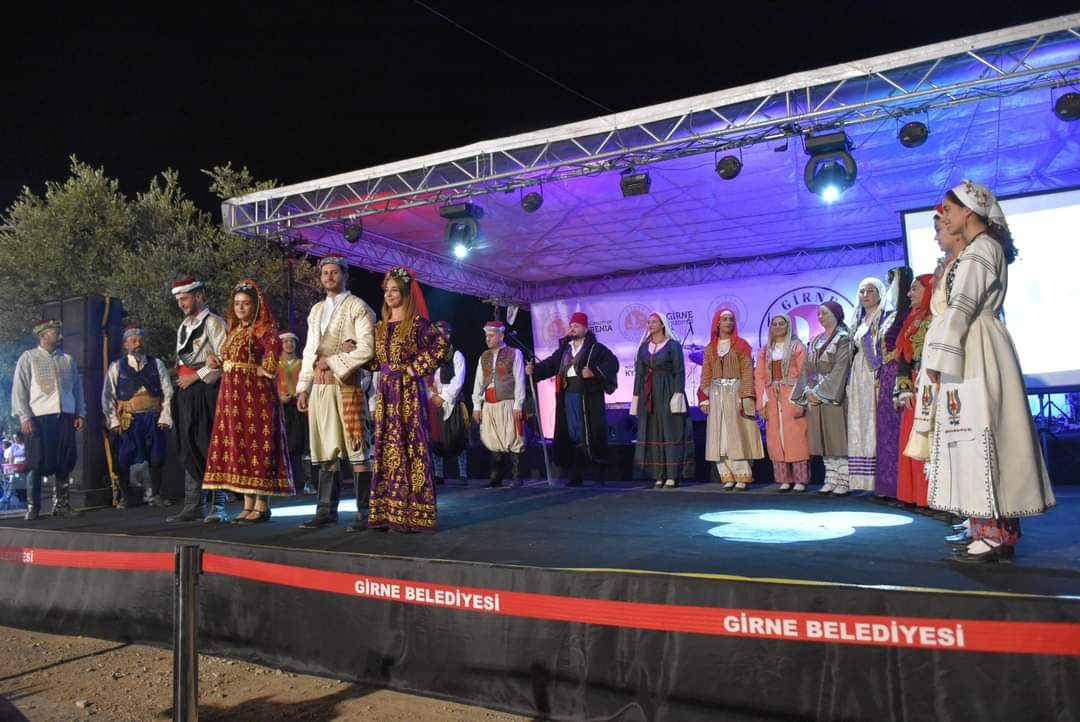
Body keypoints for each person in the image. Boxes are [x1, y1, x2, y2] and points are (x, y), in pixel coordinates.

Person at [923, 180, 1055, 563]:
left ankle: (995, 534)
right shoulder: (978, 248)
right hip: (972, 343)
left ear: (968, 211)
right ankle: (984, 527)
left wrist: (939, 358)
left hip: (977, 345)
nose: (945, 217)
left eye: (949, 210)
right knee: (974, 434)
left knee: (984, 434)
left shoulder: (982, 249)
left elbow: (963, 305)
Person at [202, 280, 295, 520]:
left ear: (256, 305)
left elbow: (273, 351)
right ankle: (247, 504)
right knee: (240, 445)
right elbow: (231, 358)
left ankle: (262, 506)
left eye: (245, 303)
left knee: (258, 444)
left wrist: (266, 369)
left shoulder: (264, 329)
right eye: (237, 304)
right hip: (231, 397)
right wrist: (217, 361)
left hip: (255, 396)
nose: (240, 308)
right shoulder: (234, 331)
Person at [296, 257, 376, 531]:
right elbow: (310, 350)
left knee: (357, 448)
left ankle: (365, 511)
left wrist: (332, 360)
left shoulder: (358, 306)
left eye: (334, 273)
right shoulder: (317, 310)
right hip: (320, 387)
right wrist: (303, 387)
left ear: (345, 276)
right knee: (325, 449)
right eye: (325, 273)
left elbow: (366, 348)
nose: (329, 277)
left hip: (347, 385)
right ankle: (325, 510)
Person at [366, 267, 448, 532]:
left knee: (411, 446)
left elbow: (441, 346)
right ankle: (388, 511)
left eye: (395, 290)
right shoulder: (379, 328)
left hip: (408, 393)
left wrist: (414, 369)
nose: (389, 295)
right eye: (386, 290)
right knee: (387, 447)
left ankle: (414, 513)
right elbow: (375, 361)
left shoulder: (417, 325)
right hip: (385, 393)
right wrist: (354, 352)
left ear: (405, 293)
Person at [527, 311, 619, 486]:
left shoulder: (595, 349)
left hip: (588, 397)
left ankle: (599, 475)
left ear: (585, 328)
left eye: (576, 326)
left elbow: (613, 363)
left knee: (591, 433)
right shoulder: (565, 349)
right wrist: (535, 371)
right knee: (572, 433)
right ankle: (576, 475)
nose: (572, 329)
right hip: (567, 395)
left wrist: (593, 372)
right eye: (571, 326)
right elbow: (550, 364)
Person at [166, 277, 229, 523]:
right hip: (186, 392)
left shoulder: (214, 322)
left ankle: (218, 505)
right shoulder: (183, 326)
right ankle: (194, 504)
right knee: (189, 444)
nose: (181, 304)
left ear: (199, 296)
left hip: (206, 391)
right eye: (178, 300)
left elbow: (224, 359)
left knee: (210, 444)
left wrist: (196, 376)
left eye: (184, 298)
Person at [11, 319, 87, 519]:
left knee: (64, 459)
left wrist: (80, 412)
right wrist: (24, 417)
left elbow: (77, 389)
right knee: (36, 461)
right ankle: (33, 508)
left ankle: (61, 505)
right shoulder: (29, 357)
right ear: (43, 335)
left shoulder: (67, 359)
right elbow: (19, 390)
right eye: (55, 332)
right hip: (39, 417)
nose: (59, 336)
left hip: (65, 416)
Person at [101, 325, 174, 507]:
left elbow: (168, 392)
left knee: (156, 456)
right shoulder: (117, 367)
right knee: (123, 457)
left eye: (140, 340)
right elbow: (107, 396)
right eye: (133, 341)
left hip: (152, 418)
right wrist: (113, 421)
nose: (137, 344)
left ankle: (155, 495)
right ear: (126, 345)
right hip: (128, 419)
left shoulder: (157, 364)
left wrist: (165, 416)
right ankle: (125, 497)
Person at [698, 309, 763, 489]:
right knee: (720, 436)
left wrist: (746, 395)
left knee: (737, 434)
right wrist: (704, 398)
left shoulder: (742, 345)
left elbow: (747, 372)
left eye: (731, 319)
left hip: (735, 392)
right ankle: (727, 475)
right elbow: (706, 374)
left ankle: (742, 475)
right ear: (717, 323)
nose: (728, 322)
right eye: (725, 319)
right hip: (716, 394)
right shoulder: (710, 348)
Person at [792, 302, 852, 493]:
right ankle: (831, 477)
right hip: (815, 393)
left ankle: (844, 479)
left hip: (834, 393)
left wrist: (819, 392)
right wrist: (808, 391)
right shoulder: (816, 339)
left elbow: (841, 368)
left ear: (836, 314)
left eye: (824, 313)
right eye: (819, 314)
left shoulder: (844, 338)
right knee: (823, 437)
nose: (820, 317)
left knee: (837, 436)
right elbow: (807, 368)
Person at [630, 312, 694, 488]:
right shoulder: (644, 348)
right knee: (652, 431)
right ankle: (658, 473)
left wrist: (677, 394)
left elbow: (679, 371)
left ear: (662, 325)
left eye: (654, 322)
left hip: (668, 390)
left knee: (670, 430)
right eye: (648, 322)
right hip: (649, 393)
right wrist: (636, 397)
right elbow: (639, 374)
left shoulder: (673, 346)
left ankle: (672, 475)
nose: (650, 325)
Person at [754, 313, 810, 492]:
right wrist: (762, 402)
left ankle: (800, 479)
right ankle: (784, 479)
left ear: (788, 326)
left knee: (796, 437)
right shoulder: (764, 351)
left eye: (781, 323)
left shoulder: (797, 347)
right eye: (775, 324)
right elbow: (760, 377)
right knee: (775, 438)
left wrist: (799, 400)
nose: (778, 326)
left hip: (791, 395)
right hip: (772, 397)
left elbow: (804, 374)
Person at [895, 272, 935, 510]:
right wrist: (903, 390)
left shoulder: (938, 318)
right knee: (916, 441)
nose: (910, 294)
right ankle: (919, 497)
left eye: (915, 289)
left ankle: (936, 499)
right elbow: (903, 358)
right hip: (914, 387)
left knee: (932, 440)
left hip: (933, 385)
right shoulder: (912, 319)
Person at [873, 266, 913, 501]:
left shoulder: (907, 314)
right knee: (887, 430)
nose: (890, 287)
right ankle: (889, 486)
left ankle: (903, 488)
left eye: (892, 282)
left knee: (899, 428)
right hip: (886, 374)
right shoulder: (890, 315)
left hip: (899, 371)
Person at [845, 277, 887, 494]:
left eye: (870, 291)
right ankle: (862, 480)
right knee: (859, 421)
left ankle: (879, 479)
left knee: (873, 420)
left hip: (874, 373)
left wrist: (878, 370)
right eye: (862, 291)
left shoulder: (885, 318)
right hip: (858, 372)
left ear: (880, 293)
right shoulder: (859, 320)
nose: (865, 295)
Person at [472, 321, 526, 487]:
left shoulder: (514, 353)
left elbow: (519, 380)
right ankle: (495, 477)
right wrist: (476, 406)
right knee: (492, 438)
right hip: (489, 404)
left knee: (513, 437)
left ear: (501, 336)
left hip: (508, 402)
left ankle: (516, 476)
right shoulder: (484, 356)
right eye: (486, 336)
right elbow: (478, 382)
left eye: (491, 336)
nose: (488, 339)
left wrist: (518, 404)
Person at [430, 320, 469, 485]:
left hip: (451, 400)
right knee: (436, 439)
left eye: (441, 334)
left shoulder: (456, 355)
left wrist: (444, 396)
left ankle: (463, 473)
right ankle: (438, 473)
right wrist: (432, 395)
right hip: (434, 400)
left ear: (448, 335)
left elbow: (458, 380)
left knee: (457, 436)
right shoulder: (429, 357)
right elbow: (426, 379)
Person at [276, 331, 311, 493]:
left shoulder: (303, 364)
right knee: (284, 446)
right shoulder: (275, 366)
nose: (289, 344)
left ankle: (305, 482)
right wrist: (279, 397)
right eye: (285, 342)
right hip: (281, 409)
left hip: (299, 408)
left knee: (301, 445)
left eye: (292, 341)